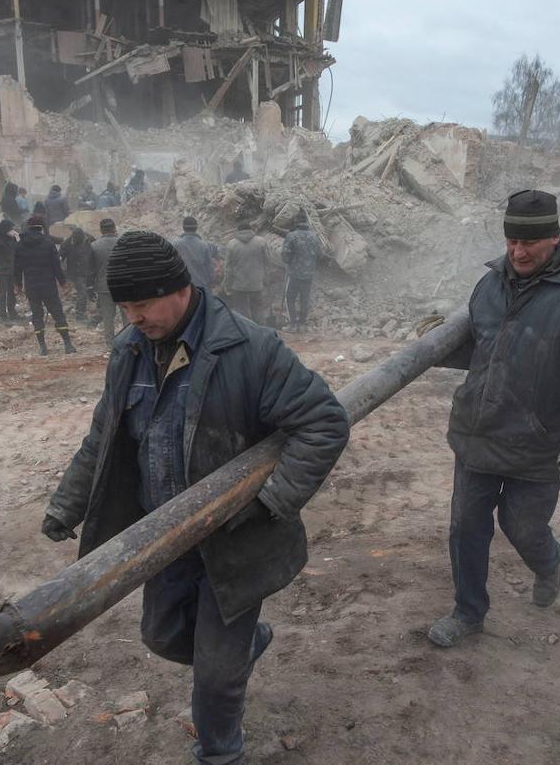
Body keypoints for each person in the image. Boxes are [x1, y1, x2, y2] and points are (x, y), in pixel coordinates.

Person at [40, 230, 349, 765]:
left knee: (214, 675)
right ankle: (244, 650)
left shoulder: (250, 348)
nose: (133, 317)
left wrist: (272, 502)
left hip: (235, 540)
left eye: (142, 304)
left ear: (179, 288)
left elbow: (323, 421)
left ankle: (220, 751)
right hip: (162, 535)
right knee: (161, 636)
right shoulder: (129, 350)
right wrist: (67, 504)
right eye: (124, 307)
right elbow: (104, 436)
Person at [421, 189, 560, 648]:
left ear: (555, 238)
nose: (518, 251)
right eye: (511, 240)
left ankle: (548, 560)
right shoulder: (490, 284)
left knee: (523, 527)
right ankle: (468, 611)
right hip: (479, 433)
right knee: (465, 527)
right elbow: (484, 349)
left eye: (529, 243)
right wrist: (439, 343)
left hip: (540, 443)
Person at [14, 214, 76, 356]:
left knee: (37, 315)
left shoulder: (19, 245)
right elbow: (56, 266)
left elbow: (16, 268)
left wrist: (18, 284)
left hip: (31, 286)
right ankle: (68, 344)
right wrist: (63, 282)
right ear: (42, 227)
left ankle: (43, 347)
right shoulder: (48, 243)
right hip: (48, 285)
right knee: (57, 313)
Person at [281, 211, 321, 331]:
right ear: (306, 222)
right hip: (308, 274)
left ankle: (293, 324)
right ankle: (302, 324)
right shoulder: (314, 236)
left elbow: (285, 255)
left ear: (296, 222)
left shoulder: (291, 236)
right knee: (305, 299)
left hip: (294, 274)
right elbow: (320, 254)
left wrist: (289, 261)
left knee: (290, 298)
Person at [223, 220, 269, 323]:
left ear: (238, 231)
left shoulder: (232, 244)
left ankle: (245, 334)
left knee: (241, 312)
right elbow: (267, 262)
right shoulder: (261, 242)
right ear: (251, 230)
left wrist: (227, 285)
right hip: (256, 284)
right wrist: (265, 280)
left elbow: (228, 268)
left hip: (238, 285)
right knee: (258, 310)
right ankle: (261, 333)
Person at [88, 218, 121, 347]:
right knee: (127, 316)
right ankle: (130, 341)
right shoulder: (122, 242)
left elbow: (91, 269)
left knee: (108, 317)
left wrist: (89, 287)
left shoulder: (94, 246)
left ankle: (110, 344)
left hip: (104, 286)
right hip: (123, 285)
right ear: (114, 228)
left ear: (101, 230)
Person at [175, 216, 220, 290]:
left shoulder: (175, 245)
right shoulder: (204, 245)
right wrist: (211, 282)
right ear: (196, 228)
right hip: (200, 288)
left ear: (183, 228)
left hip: (182, 288)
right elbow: (209, 267)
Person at [59, 226, 94, 320]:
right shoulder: (68, 242)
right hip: (76, 272)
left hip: (90, 271)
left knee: (88, 291)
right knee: (82, 292)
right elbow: (60, 256)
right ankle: (80, 314)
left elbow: (95, 253)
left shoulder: (90, 240)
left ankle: (92, 310)